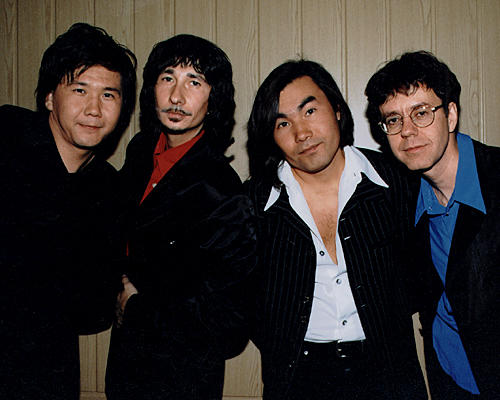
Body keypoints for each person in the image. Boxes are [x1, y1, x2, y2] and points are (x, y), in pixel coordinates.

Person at [245, 59, 426, 400]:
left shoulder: (396, 181)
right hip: (297, 378)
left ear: (338, 110)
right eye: (283, 123)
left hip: (388, 373)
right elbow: (243, 299)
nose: (302, 133)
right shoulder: (254, 203)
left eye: (310, 111)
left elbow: (423, 278)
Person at [105, 34, 255, 400]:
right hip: (125, 372)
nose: (176, 96)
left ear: (214, 98)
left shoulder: (222, 190)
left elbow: (230, 324)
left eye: (194, 82)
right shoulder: (140, 153)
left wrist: (138, 309)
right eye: (167, 78)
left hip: (181, 381)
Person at [0, 23, 137, 399]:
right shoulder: (7, 137)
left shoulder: (108, 189)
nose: (93, 109)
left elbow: (92, 312)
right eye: (79, 90)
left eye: (108, 95)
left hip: (47, 373)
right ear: (49, 97)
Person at [365, 51, 500, 399]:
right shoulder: (401, 198)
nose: (408, 131)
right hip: (449, 380)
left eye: (421, 112)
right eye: (393, 119)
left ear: (451, 115)